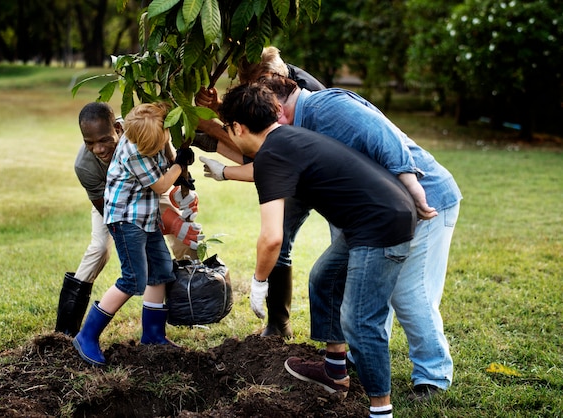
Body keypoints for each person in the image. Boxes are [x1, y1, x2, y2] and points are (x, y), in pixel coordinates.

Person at [206, 74, 462, 400]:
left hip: (419, 200)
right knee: (325, 278)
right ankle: (338, 367)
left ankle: (426, 380)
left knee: (394, 302)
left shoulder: (326, 108)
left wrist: (258, 283)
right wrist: (223, 171)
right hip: (371, 214)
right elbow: (267, 167)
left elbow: (385, 136)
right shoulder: (290, 133)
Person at [193, 46, 325, 338]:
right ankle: (279, 325)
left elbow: (269, 156)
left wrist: (214, 129)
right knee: (282, 242)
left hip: (322, 176)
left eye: (260, 85)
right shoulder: (269, 86)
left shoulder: (304, 95)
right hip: (295, 168)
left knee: (299, 249)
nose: (258, 92)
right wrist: (217, 112)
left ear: (276, 75)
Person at [55, 102, 202, 337]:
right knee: (101, 250)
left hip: (146, 194)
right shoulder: (88, 165)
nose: (99, 149)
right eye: (90, 143)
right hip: (117, 206)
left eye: (104, 140)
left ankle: (187, 309)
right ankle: (68, 330)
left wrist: (182, 187)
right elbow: (109, 210)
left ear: (118, 128)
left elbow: (166, 159)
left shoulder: (142, 128)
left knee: (174, 249)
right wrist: (165, 221)